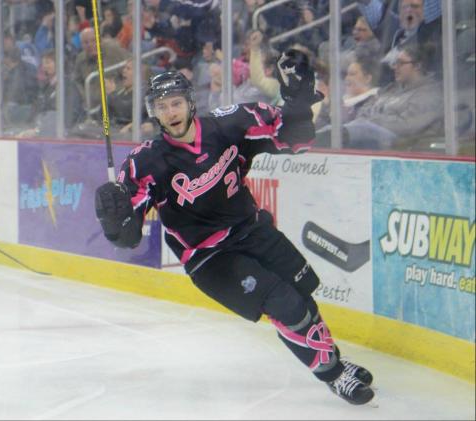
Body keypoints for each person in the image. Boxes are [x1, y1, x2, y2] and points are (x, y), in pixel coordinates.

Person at [94, 52, 376, 406]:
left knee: (302, 290)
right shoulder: (145, 162)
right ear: (154, 111)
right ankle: (334, 376)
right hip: (209, 258)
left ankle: (331, 358)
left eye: (177, 103)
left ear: (190, 103)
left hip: (252, 229)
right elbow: (129, 237)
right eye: (163, 107)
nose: (171, 113)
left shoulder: (230, 123)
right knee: (285, 305)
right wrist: (113, 219)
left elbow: (295, 142)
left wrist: (297, 104)